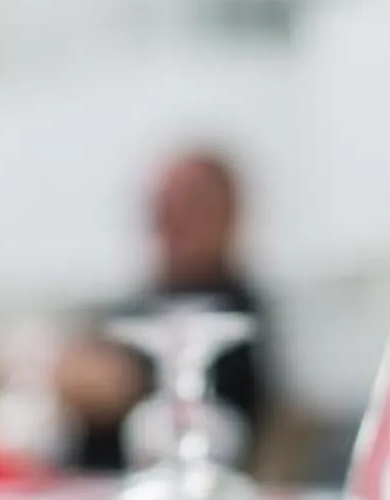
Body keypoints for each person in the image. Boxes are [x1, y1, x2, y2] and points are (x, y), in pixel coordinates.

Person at [58, 147, 274, 473]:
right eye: (162, 207)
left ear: (229, 214)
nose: (171, 222)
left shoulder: (235, 311)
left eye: (189, 206)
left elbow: (114, 383)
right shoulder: (137, 301)